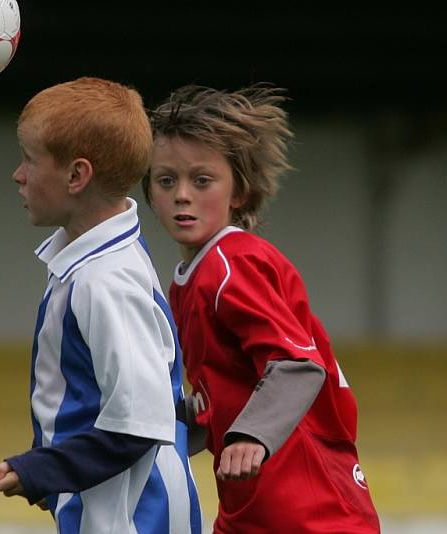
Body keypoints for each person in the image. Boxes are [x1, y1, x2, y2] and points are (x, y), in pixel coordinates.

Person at [143, 84, 381, 533]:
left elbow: (295, 364)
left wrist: (251, 434)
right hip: (252, 505)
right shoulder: (190, 279)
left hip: (312, 508)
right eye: (166, 180)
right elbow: (225, 391)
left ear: (239, 193)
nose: (182, 195)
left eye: (202, 179)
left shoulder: (233, 262)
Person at [0, 76, 202, 534]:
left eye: (30, 159)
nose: (19, 174)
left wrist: (40, 470)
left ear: (76, 176)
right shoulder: (95, 260)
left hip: (136, 522)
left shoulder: (105, 280)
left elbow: (138, 424)